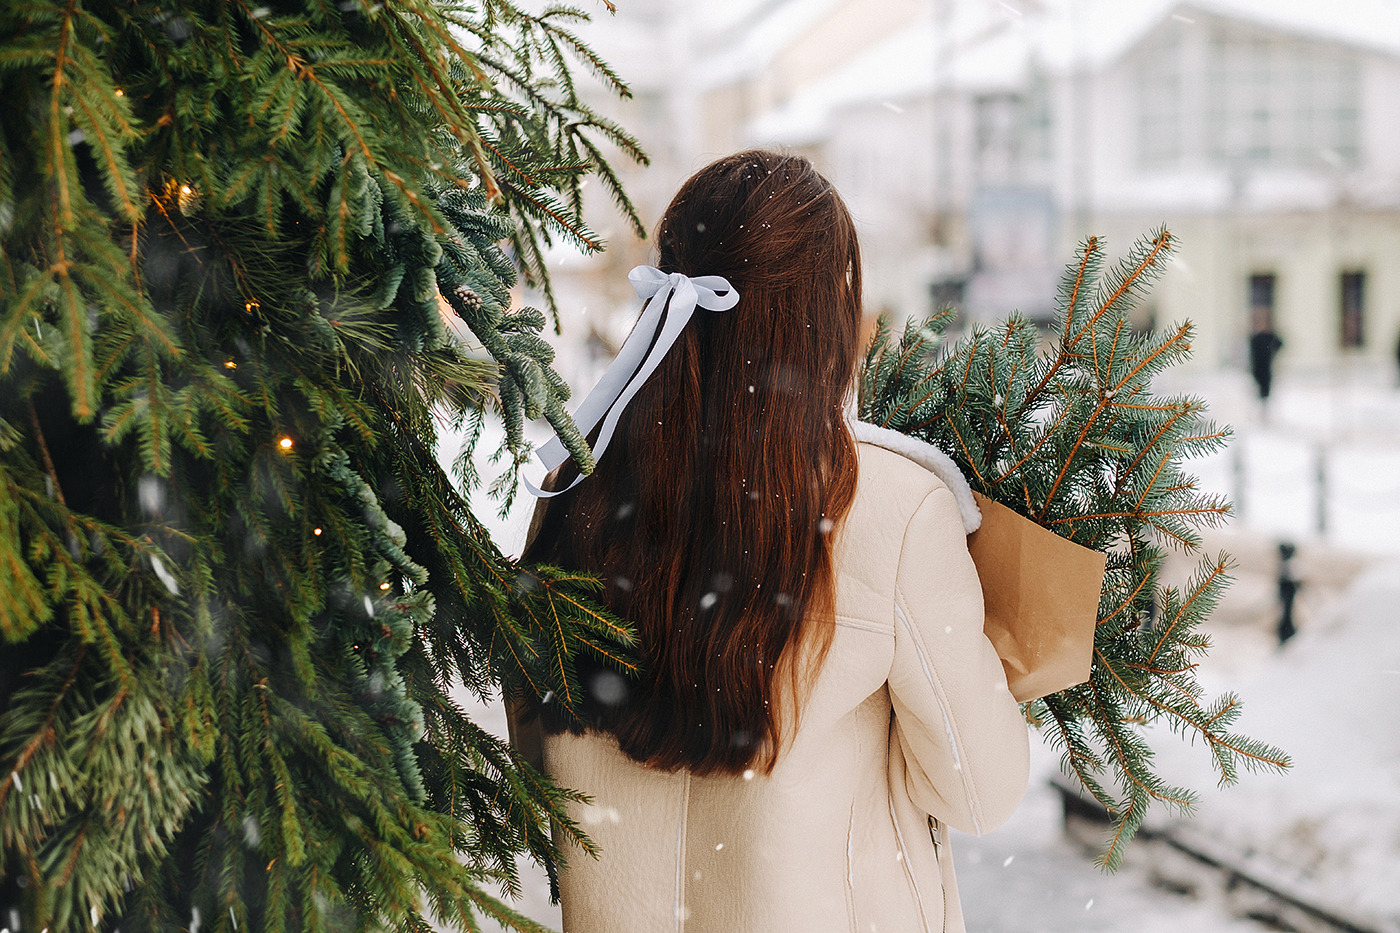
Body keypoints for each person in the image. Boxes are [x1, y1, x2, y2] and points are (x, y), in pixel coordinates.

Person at [513, 150, 1028, 933]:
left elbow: (535, 759)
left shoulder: (573, 490)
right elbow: (979, 790)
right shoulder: (892, 507)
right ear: (824, 313)